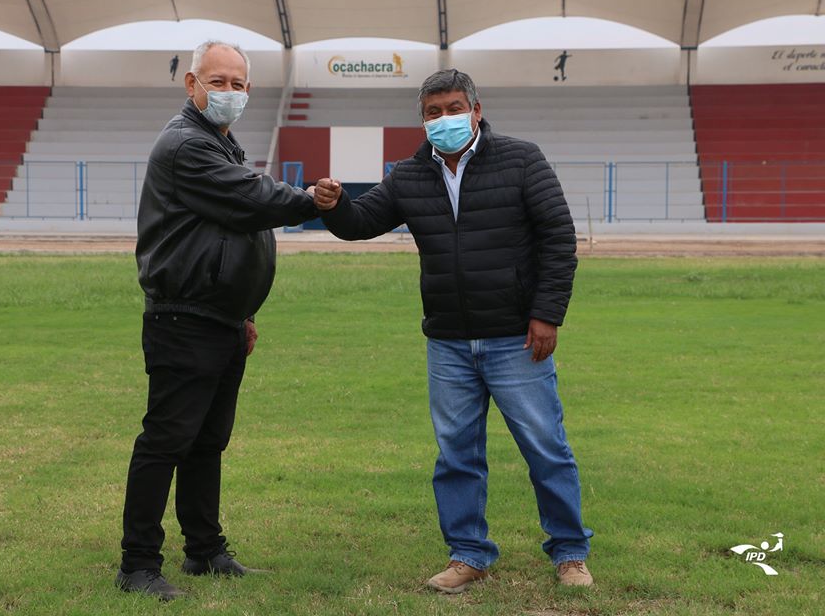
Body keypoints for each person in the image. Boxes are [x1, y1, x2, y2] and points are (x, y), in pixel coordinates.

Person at [313, 69, 594, 592]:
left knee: (545, 448)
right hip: (448, 342)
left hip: (516, 339)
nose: (444, 119)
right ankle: (468, 554)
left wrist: (547, 314)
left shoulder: (522, 159)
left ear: (476, 110)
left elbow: (558, 238)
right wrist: (334, 205)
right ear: (422, 120)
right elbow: (360, 222)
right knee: (457, 455)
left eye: (454, 108)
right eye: (433, 112)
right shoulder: (409, 175)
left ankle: (570, 553)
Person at [116, 40, 322, 601]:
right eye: (218, 81)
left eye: (238, 83)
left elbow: (228, 228)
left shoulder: (220, 142)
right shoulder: (187, 144)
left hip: (220, 318)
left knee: (206, 442)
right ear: (192, 84)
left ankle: (204, 550)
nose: (229, 92)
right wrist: (311, 200)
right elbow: (250, 199)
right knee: (166, 440)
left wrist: (243, 312)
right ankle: (138, 564)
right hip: (184, 317)